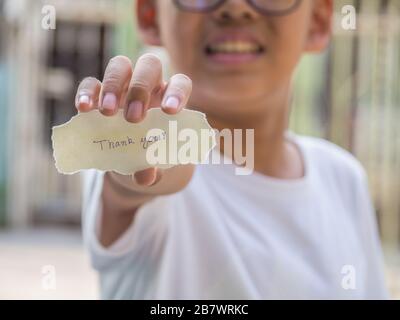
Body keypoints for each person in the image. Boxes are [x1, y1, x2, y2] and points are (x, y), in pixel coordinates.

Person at [77, 0, 388, 299]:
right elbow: (133, 184)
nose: (235, 7)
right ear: (149, 15)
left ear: (318, 20)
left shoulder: (344, 180)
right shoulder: (142, 153)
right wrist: (136, 146)